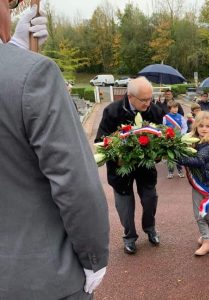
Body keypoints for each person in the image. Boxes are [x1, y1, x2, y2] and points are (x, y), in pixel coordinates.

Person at [1, 1, 109, 299]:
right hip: (37, 278)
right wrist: (94, 259)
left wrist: (16, 52)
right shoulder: (35, 75)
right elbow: (76, 184)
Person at [95, 76, 163, 255]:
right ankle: (130, 237)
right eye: (144, 100)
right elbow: (100, 141)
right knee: (125, 206)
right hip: (120, 169)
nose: (148, 103)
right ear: (130, 96)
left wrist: (156, 154)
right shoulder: (112, 111)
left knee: (150, 200)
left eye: (150, 99)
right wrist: (119, 157)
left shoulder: (154, 111)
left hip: (146, 167)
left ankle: (150, 228)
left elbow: (161, 138)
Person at [178, 111, 209, 256]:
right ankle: (206, 240)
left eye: (208, 126)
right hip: (198, 182)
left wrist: (178, 157)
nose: (204, 129)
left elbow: (199, 160)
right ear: (196, 127)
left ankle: (207, 237)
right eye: (201, 126)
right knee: (199, 214)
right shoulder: (192, 140)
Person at [163, 100, 188, 178]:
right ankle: (170, 172)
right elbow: (163, 128)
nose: (175, 109)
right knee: (170, 156)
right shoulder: (165, 117)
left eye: (176, 107)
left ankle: (180, 171)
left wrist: (181, 134)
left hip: (178, 139)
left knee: (178, 155)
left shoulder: (180, 117)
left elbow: (185, 127)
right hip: (169, 139)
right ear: (169, 108)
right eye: (174, 107)